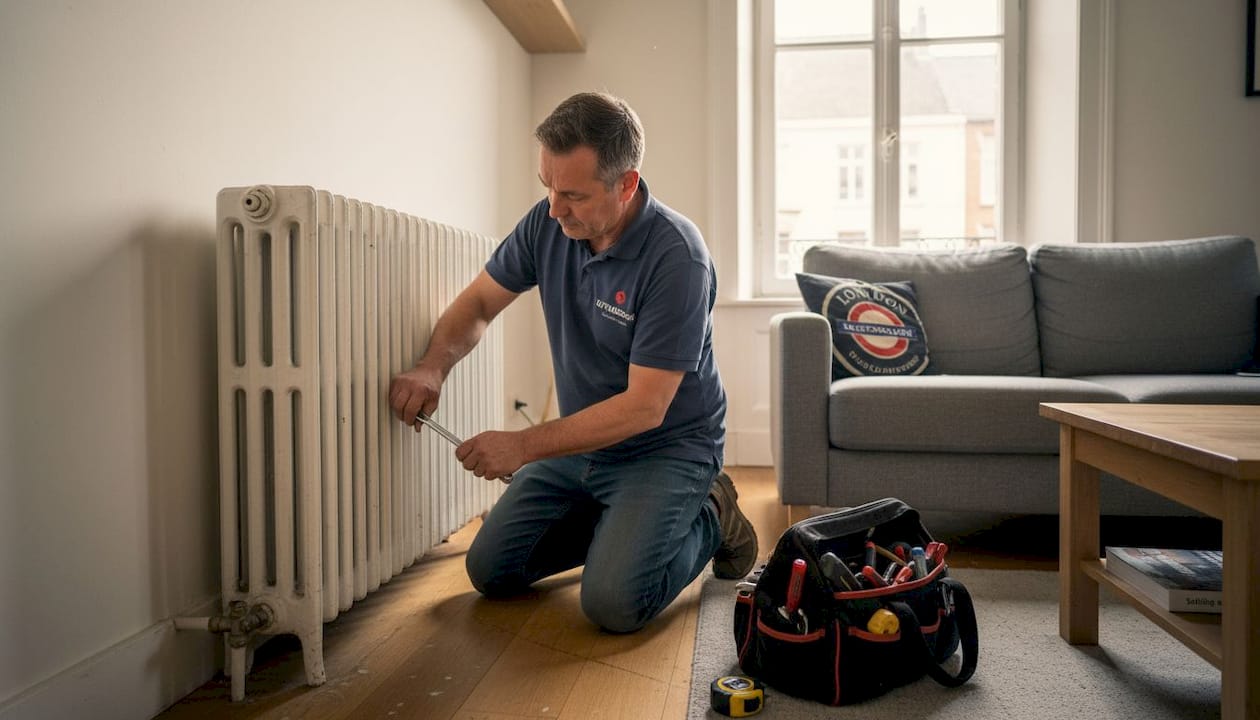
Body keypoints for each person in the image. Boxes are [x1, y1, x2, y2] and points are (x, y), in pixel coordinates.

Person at [388, 91, 756, 633]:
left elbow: (643, 409)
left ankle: (710, 513)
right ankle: (621, 527)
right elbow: (479, 304)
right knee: (490, 571)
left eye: (575, 195)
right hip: (583, 444)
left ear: (626, 184)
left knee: (612, 605)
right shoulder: (547, 224)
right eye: (549, 187)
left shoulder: (678, 257)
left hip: (665, 449)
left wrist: (521, 444)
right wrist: (430, 366)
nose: (555, 208)